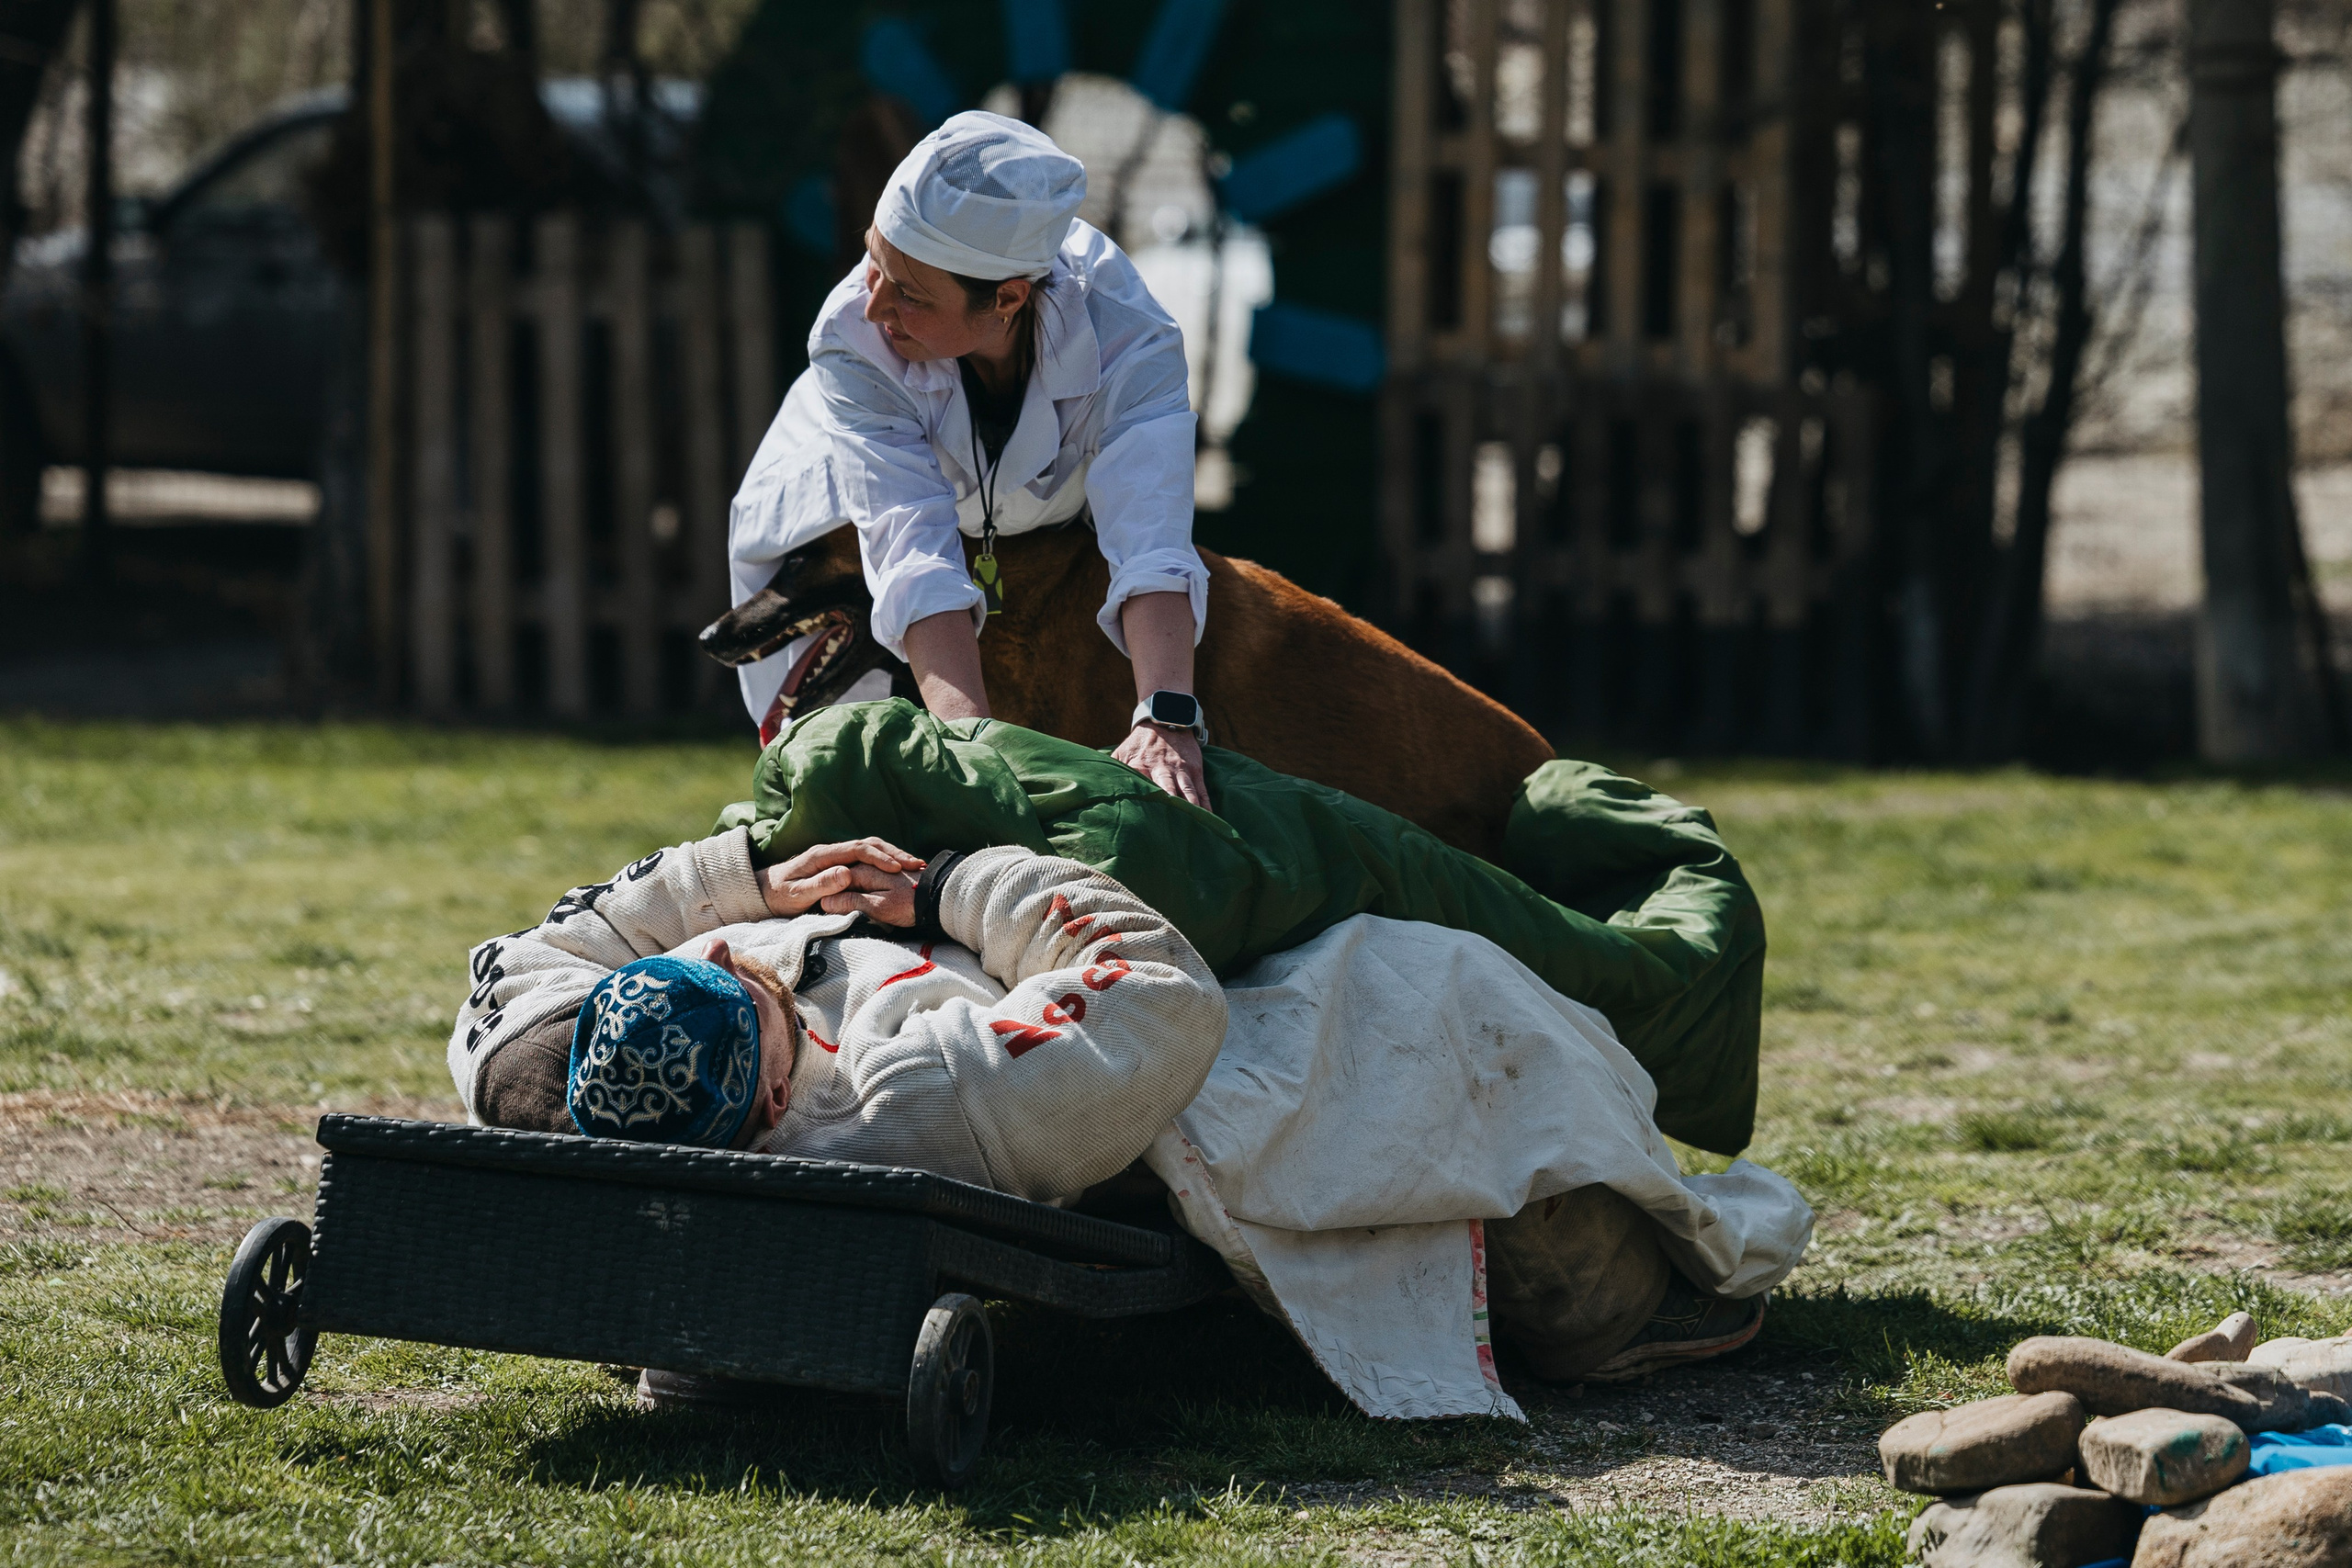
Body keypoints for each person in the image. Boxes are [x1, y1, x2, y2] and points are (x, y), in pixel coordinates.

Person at [449, 828, 1804, 1410]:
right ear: (775, 1067)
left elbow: (543, 943)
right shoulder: (917, 1098)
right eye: (752, 967)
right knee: (1428, 982)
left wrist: (746, 874)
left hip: (974, 1026)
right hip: (1180, 1094)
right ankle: (1630, 1289)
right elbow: (1157, 996)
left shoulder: (547, 1075)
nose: (756, 949)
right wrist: (959, 882)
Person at [728, 110, 1212, 807]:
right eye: (873, 259)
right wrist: (974, 754)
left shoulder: (1130, 338)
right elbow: (910, 549)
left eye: (910, 295)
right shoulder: (851, 339)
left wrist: (1167, 716)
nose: (873, 306)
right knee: (857, 784)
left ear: (1008, 298)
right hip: (830, 517)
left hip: (1032, 511)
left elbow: (1152, 538)